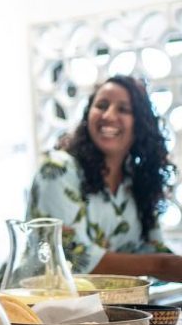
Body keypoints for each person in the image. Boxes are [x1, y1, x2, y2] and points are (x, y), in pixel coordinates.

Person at [27, 75, 182, 281]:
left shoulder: (136, 179)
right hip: (31, 305)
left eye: (123, 109)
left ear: (141, 124)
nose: (108, 115)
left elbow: (151, 248)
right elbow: (73, 258)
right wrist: (162, 265)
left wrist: (169, 264)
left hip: (107, 308)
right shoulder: (58, 170)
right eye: (101, 105)